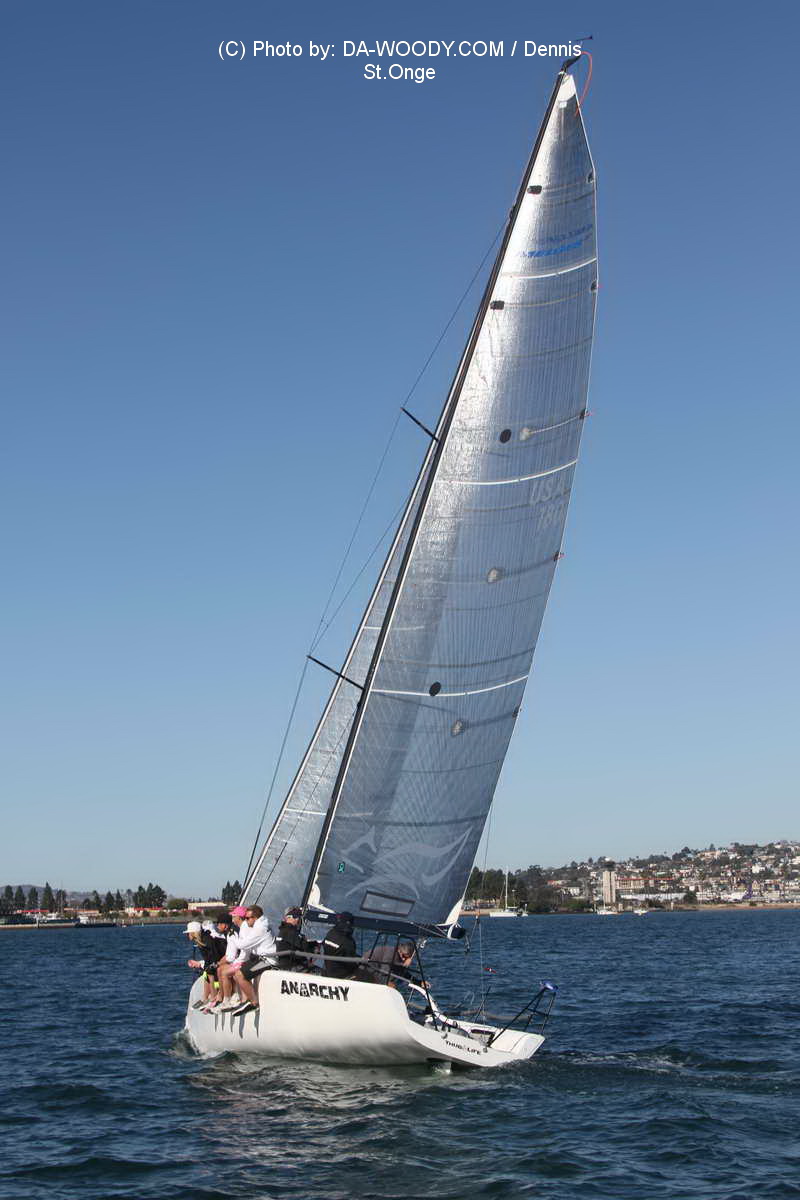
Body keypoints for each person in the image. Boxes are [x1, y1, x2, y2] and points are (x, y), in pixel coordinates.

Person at [229, 905, 278, 1015]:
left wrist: (233, 938)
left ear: (255, 918)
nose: (245, 921)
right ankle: (246, 1000)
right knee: (239, 972)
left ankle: (254, 1003)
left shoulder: (260, 929)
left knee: (239, 974)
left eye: (247, 918)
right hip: (261, 958)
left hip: (267, 961)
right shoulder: (262, 924)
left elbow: (243, 945)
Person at [185, 920, 224, 1008]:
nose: (187, 935)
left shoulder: (206, 940)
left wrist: (211, 966)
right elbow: (208, 958)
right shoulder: (201, 940)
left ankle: (213, 997)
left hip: (219, 960)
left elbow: (214, 954)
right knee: (206, 973)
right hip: (214, 961)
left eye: (188, 933)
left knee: (210, 972)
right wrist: (205, 966)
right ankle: (205, 998)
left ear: (194, 933)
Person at [320, 912, 357, 979]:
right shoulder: (347, 941)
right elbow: (350, 962)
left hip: (327, 971)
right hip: (341, 975)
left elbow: (324, 946)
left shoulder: (330, 933)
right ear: (349, 923)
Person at [276, 906, 311, 971]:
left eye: (298, 917)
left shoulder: (283, 930)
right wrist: (314, 946)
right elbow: (305, 948)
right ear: (288, 918)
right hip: (293, 968)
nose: (297, 920)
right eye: (295, 917)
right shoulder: (290, 932)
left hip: (285, 965)